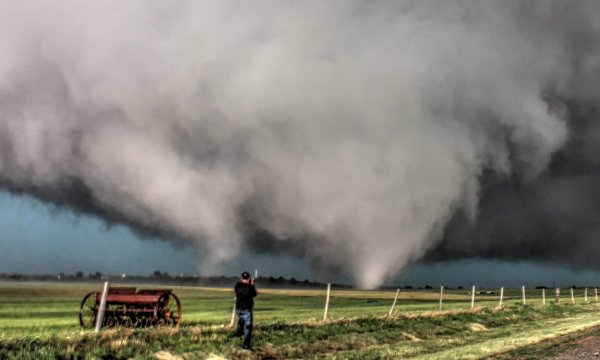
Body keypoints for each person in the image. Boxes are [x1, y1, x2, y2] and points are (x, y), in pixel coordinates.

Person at [234, 271, 257, 350]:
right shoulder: (250, 287)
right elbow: (254, 294)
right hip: (247, 309)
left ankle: (238, 333)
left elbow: (238, 291)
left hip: (238, 309)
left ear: (241, 278)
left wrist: (249, 284)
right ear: (248, 279)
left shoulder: (237, 285)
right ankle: (246, 344)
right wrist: (252, 284)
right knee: (248, 327)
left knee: (241, 320)